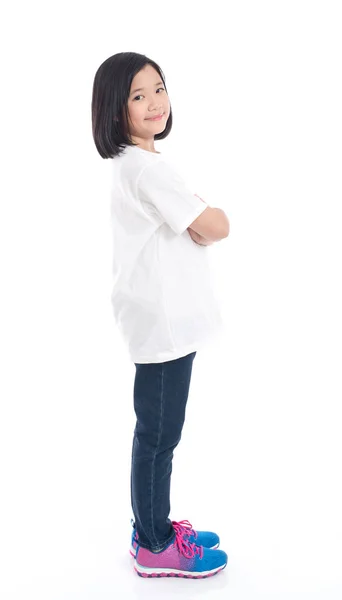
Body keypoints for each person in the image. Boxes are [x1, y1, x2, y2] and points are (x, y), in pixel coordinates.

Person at [91, 51, 230, 579]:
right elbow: (213, 226)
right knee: (158, 434)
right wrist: (210, 214)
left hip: (161, 319)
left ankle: (155, 525)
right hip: (165, 324)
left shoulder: (136, 166)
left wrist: (196, 217)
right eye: (137, 95)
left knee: (157, 429)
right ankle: (153, 542)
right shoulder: (147, 169)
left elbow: (194, 225)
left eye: (158, 88)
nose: (155, 102)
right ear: (114, 110)